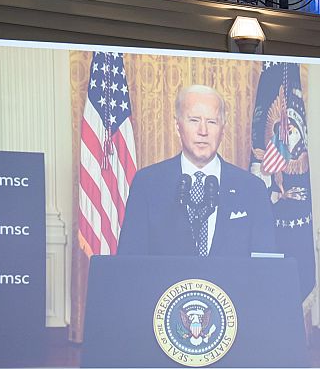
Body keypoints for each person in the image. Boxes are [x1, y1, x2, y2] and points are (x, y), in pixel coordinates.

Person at [117, 84, 276, 256]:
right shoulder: (147, 184)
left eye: (211, 122)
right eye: (194, 120)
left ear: (223, 129)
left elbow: (265, 269)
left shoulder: (253, 189)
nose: (203, 131)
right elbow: (129, 264)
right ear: (177, 126)